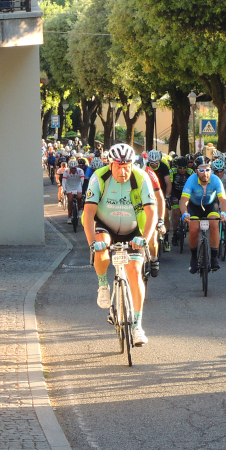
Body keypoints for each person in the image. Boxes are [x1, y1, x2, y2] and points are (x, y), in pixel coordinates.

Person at [82, 143, 157, 346]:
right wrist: (91, 243)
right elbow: (88, 213)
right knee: (101, 246)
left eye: (127, 166)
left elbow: (152, 212)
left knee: (134, 271)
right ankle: (102, 285)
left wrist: (146, 238)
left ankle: (137, 326)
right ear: (110, 164)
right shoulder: (99, 177)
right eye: (118, 166)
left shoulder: (142, 178)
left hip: (133, 229)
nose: (123, 171)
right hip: (105, 225)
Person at [180, 156, 226, 272]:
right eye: (201, 170)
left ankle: (213, 257)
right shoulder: (191, 180)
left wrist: (224, 213)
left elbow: (222, 200)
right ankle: (193, 257)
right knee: (193, 228)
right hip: (194, 207)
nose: (205, 173)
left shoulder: (216, 180)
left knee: (214, 224)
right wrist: (185, 213)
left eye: (207, 170)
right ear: (196, 170)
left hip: (211, 205)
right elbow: (183, 201)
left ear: (211, 170)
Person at [147, 150, 172, 252]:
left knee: (165, 215)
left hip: (161, 190)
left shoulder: (163, 166)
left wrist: (167, 196)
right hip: (149, 191)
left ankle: (166, 239)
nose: (154, 165)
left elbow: (168, 183)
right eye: (152, 163)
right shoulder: (145, 166)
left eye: (156, 163)